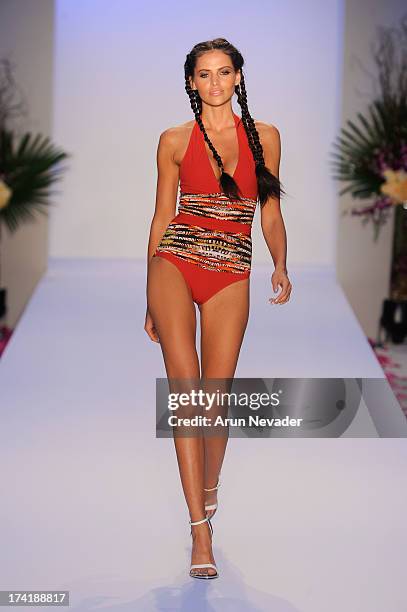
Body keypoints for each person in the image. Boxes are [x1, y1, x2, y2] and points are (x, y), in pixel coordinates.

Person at [145, 38, 292, 579]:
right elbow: (162, 216)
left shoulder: (265, 138)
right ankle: (198, 531)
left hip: (232, 267)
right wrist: (150, 297)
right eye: (203, 74)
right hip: (174, 264)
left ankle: (209, 490)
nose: (214, 83)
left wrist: (280, 263)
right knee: (186, 397)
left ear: (237, 78)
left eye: (223, 72)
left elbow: (269, 212)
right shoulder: (173, 140)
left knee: (215, 400)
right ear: (191, 82)